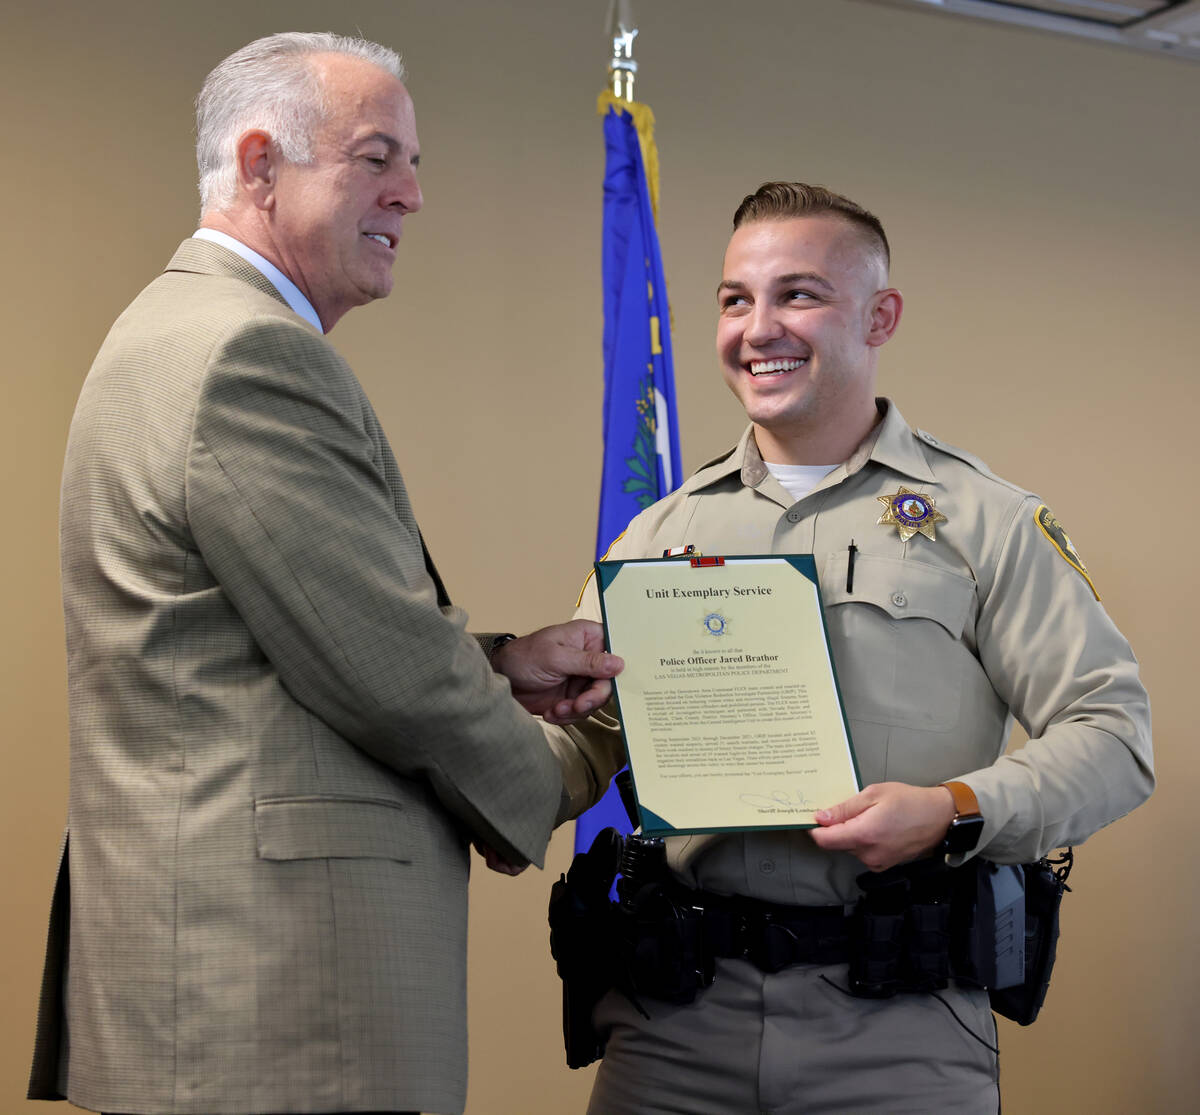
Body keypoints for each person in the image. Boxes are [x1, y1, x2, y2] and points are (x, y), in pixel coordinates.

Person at [27, 32, 622, 1115]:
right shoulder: (249, 354)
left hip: (225, 995)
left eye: (415, 164)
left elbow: (276, 627)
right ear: (260, 165)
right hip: (278, 1008)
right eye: (378, 156)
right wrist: (575, 760)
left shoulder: (177, 330)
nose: (412, 194)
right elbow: (392, 675)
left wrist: (497, 661)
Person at [568, 182, 1154, 1114]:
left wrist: (954, 807)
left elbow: (1115, 736)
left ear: (880, 316)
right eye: (735, 299)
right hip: (675, 1021)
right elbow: (590, 733)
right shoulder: (657, 533)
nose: (760, 327)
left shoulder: (985, 523)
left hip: (895, 1023)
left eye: (799, 294)